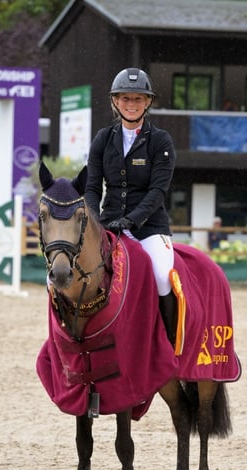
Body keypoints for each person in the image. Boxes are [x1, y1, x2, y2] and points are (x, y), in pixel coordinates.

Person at [84, 67, 180, 349]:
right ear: (115, 101)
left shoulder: (160, 141)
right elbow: (92, 186)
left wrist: (130, 221)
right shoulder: (103, 139)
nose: (131, 104)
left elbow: (157, 191)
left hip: (150, 227)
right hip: (108, 225)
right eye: (125, 98)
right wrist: (95, 221)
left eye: (137, 99)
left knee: (163, 276)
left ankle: (169, 341)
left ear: (148, 102)